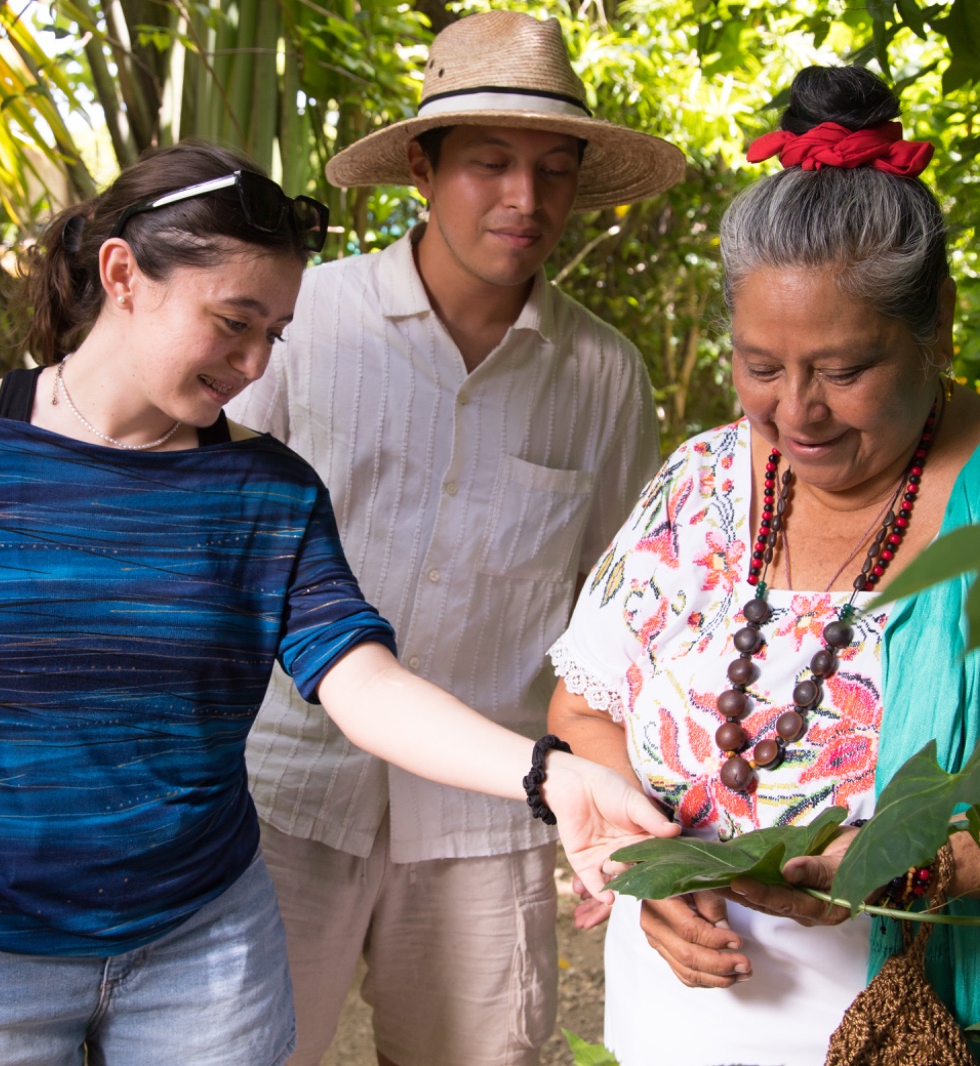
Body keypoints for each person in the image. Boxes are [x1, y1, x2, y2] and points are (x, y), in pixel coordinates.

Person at [0, 142, 677, 1066]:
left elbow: (364, 681)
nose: (252, 363)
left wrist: (553, 775)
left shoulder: (267, 490)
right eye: (233, 322)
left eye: (273, 334)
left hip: (202, 955)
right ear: (123, 273)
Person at [545, 66, 980, 1066]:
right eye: (760, 365)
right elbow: (582, 711)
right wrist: (653, 866)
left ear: (935, 323)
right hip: (684, 1021)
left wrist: (917, 867)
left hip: (966, 1024)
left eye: (843, 369)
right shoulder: (698, 484)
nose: (796, 412)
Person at [223, 11, 684, 1066]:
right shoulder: (304, 322)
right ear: (423, 171)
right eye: (488, 164)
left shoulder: (602, 375)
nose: (525, 200)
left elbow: (616, 615)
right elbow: (212, 547)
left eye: (552, 169)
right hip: (281, 787)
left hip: (490, 810)